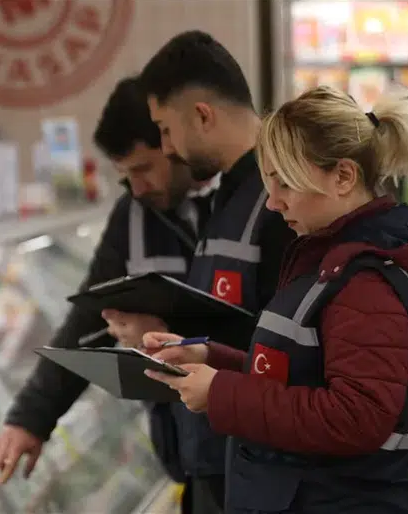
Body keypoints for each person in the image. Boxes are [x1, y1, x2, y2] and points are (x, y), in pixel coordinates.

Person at [144, 85, 408, 514]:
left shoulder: (367, 282)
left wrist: (221, 393)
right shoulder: (329, 257)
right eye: (268, 183)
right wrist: (211, 358)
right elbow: (301, 377)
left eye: (285, 184)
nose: (273, 203)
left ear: (343, 177)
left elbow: (356, 417)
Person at [0, 76, 215, 498]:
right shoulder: (133, 214)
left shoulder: (248, 202)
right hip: (187, 452)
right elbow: (90, 316)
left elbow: (263, 324)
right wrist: (32, 417)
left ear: (175, 144)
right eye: (125, 175)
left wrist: (165, 330)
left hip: (249, 448)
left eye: (144, 168)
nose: (137, 187)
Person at [103, 31, 294, 513]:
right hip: (218, 456)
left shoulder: (279, 201)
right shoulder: (229, 197)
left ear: (202, 115)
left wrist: (172, 333)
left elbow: (288, 346)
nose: (166, 148)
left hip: (255, 464)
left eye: (166, 129)